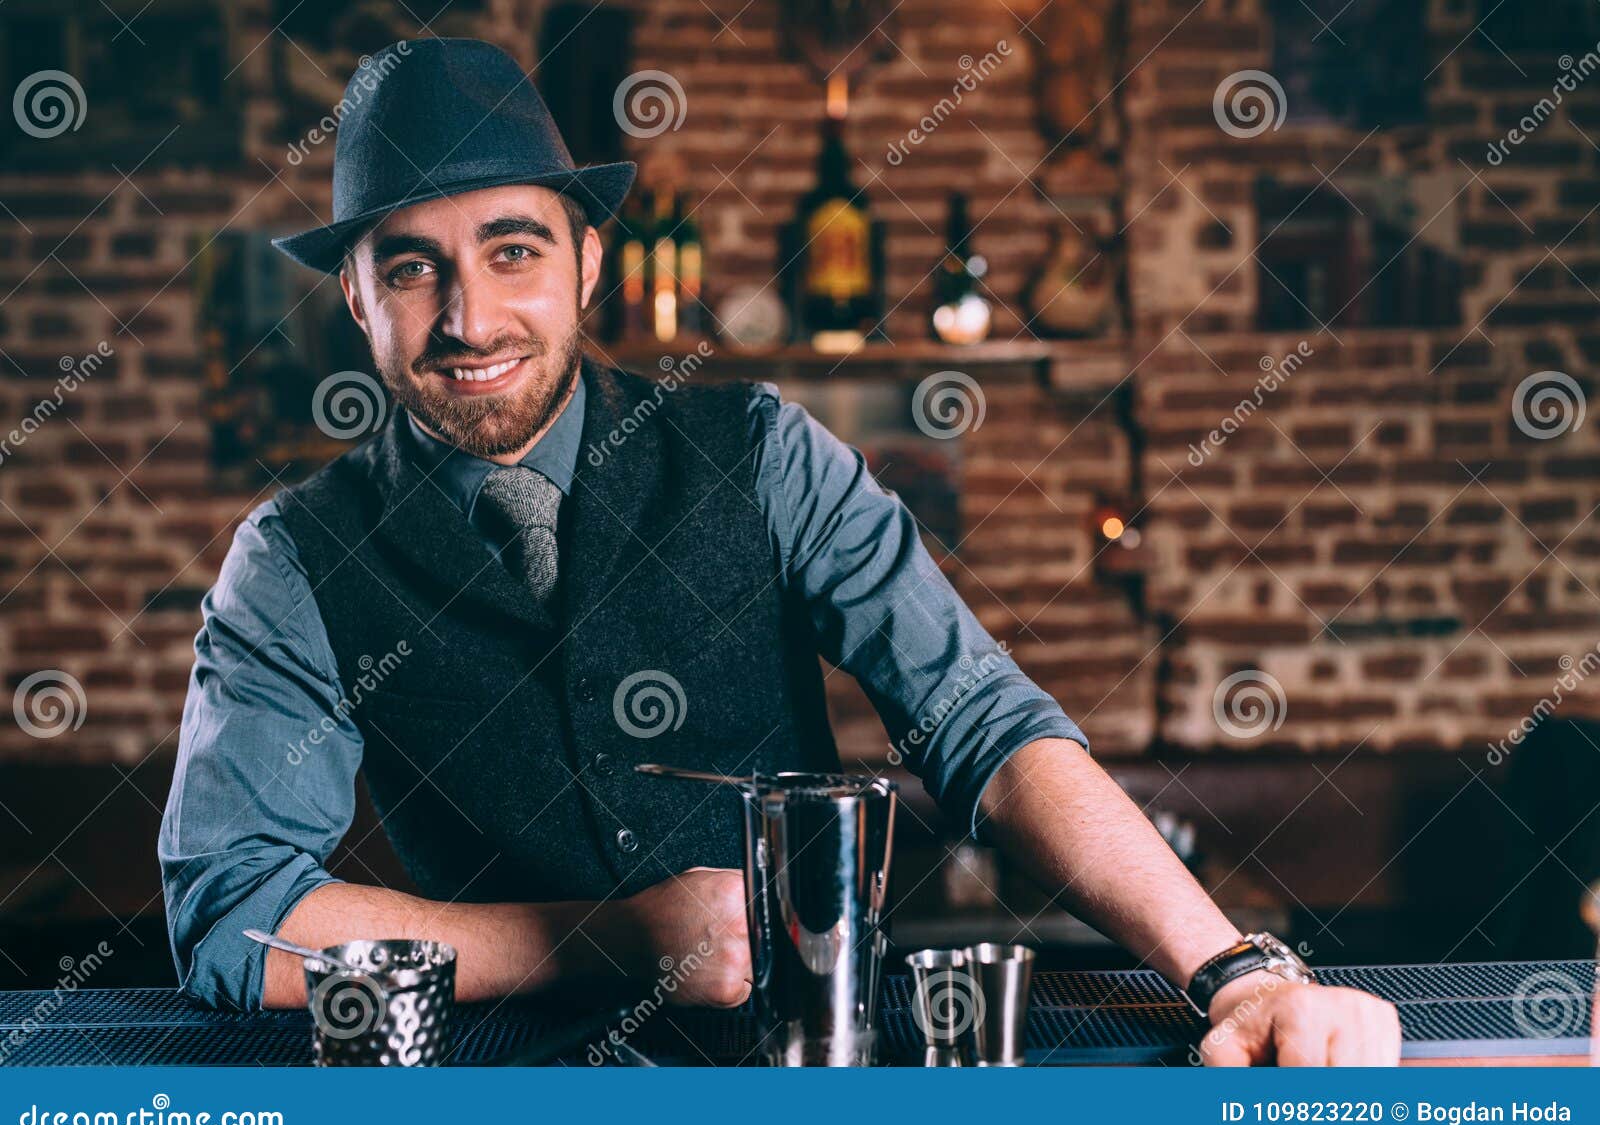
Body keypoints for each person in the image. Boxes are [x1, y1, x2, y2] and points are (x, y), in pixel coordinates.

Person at [159, 38, 1399, 1065]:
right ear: (357, 299)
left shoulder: (761, 452)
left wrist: (1231, 966)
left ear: (590, 258)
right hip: (498, 1099)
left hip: (806, 1078)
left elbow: (985, 727)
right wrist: (611, 935)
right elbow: (231, 914)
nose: (469, 316)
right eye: (411, 266)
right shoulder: (291, 560)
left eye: (513, 249)